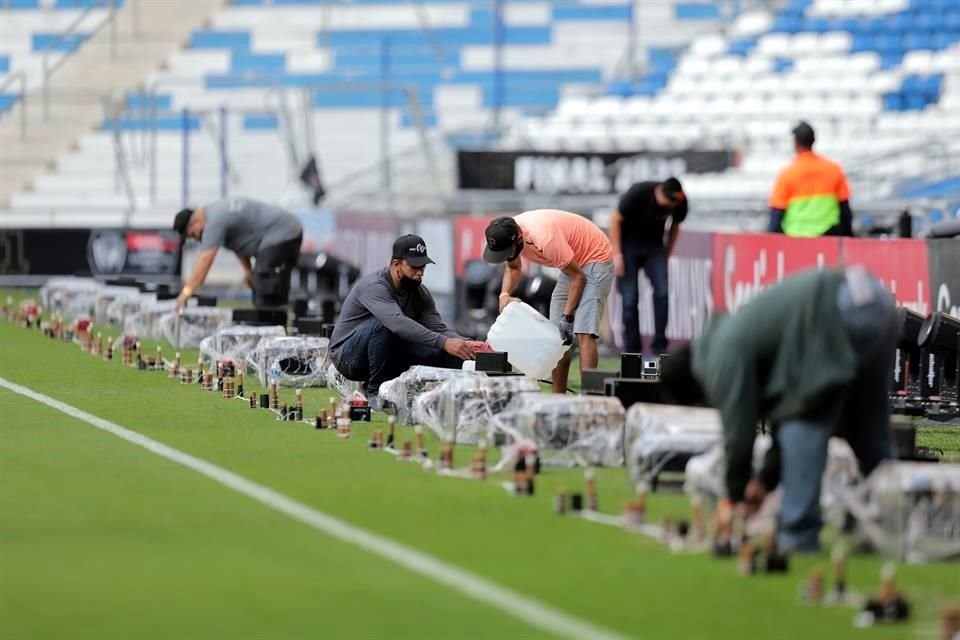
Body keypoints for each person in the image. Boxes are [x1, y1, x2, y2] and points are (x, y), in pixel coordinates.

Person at [659, 266, 898, 553]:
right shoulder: (732, 333)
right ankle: (897, 522)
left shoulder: (721, 356)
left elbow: (740, 434)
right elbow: (784, 414)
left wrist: (734, 498)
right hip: (874, 298)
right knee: (869, 430)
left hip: (837, 309)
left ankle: (799, 534)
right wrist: (764, 481)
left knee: (806, 422)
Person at [329, 234, 482, 398]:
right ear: (396, 264)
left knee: (442, 351)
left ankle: (455, 394)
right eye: (414, 267)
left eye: (423, 266)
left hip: (386, 351)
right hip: (348, 357)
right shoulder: (375, 286)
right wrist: (444, 342)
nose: (420, 273)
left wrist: (466, 344)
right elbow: (397, 323)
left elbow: (438, 329)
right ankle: (375, 392)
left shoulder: (420, 293)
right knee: (385, 326)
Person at [483, 210, 614, 394]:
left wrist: (567, 317)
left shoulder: (544, 237)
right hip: (572, 264)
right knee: (556, 338)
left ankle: (589, 397)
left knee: (584, 332)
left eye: (506, 251)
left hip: (595, 257)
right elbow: (513, 267)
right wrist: (504, 294)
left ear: (519, 238)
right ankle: (557, 398)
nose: (505, 256)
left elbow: (578, 278)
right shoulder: (509, 235)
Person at [173, 197, 303, 311]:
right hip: (288, 231)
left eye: (192, 234)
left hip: (283, 232)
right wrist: (247, 270)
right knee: (265, 286)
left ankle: (270, 330)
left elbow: (205, 261)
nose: (196, 238)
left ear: (194, 221)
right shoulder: (216, 212)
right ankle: (275, 327)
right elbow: (239, 245)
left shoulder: (214, 221)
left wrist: (186, 292)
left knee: (265, 284)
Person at [610, 177, 687, 355]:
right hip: (628, 245)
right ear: (658, 193)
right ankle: (632, 350)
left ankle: (659, 347)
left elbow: (675, 226)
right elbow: (615, 219)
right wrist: (617, 254)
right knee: (630, 299)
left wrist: (668, 254)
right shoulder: (638, 192)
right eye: (668, 202)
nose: (670, 206)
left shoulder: (679, 201)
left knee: (663, 293)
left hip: (655, 247)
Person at [768, 121, 854, 237]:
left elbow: (776, 216)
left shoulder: (787, 174)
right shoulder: (833, 169)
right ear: (814, 140)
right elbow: (845, 211)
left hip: (795, 239)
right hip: (828, 237)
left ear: (795, 143)